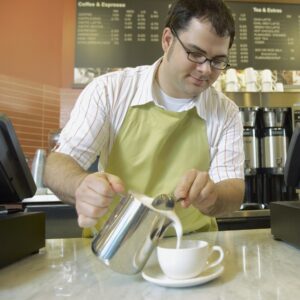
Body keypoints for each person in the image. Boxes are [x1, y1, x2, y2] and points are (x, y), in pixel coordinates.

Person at [44, 0, 245, 237]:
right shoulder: (110, 91)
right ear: (168, 40)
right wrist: (80, 186)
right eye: (195, 53)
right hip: (116, 245)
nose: (206, 70)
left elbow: (233, 187)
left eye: (218, 61)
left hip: (193, 248)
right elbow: (57, 165)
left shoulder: (226, 111)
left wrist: (214, 197)